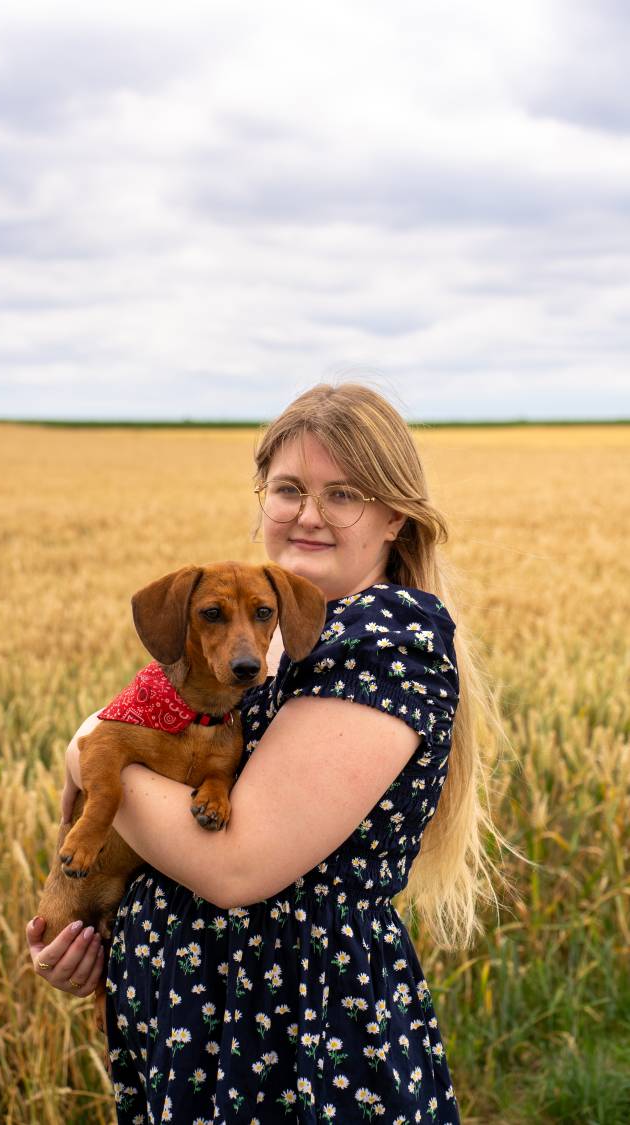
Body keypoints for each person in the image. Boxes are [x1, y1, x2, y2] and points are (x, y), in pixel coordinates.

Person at [27, 383, 497, 1123]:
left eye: (343, 493)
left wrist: (86, 745)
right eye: (288, 489)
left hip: (297, 1040)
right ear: (260, 499)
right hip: (204, 1026)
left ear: (394, 515)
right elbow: (180, 811)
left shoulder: (382, 643)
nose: (308, 514)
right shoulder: (272, 636)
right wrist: (96, 927)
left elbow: (234, 862)